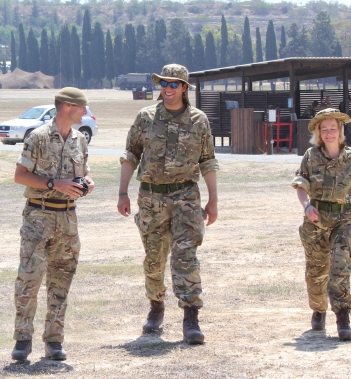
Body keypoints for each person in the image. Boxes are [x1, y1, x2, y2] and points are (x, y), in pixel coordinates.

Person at [117, 64, 219, 344]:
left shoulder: (199, 120)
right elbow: (130, 154)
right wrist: (122, 192)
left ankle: (191, 317)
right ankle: (156, 306)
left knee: (186, 256)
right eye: (164, 83)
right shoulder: (146, 117)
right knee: (154, 258)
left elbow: (208, 160)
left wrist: (213, 200)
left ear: (185, 88)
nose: (168, 88)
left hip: (186, 197)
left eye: (174, 84)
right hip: (151, 198)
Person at [11, 87, 94, 362]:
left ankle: (54, 340)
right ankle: (23, 339)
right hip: (39, 217)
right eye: (83, 107)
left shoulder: (80, 140)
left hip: (68, 219)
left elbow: (85, 175)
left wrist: (87, 185)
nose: (86, 112)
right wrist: (53, 184)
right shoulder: (37, 137)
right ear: (68, 106)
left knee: (61, 281)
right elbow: (20, 176)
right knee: (29, 279)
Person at [292, 108, 351, 341]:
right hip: (316, 221)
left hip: (344, 219)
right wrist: (307, 207)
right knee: (316, 273)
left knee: (340, 267)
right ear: (318, 132)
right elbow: (300, 186)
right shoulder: (310, 156)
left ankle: (343, 317)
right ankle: (318, 309)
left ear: (340, 131)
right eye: (324, 129)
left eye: (332, 129)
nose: (328, 133)